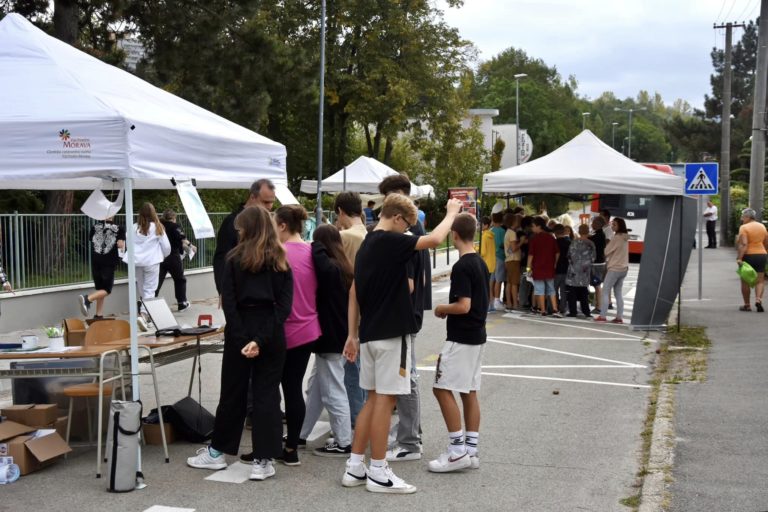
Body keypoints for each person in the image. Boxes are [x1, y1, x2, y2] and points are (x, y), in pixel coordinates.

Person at [341, 194, 462, 494]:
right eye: (407, 224)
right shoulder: (388, 241)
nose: (408, 231)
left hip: (369, 334)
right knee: (386, 399)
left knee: (372, 399)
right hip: (392, 334)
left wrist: (352, 334)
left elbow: (354, 291)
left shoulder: (368, 243)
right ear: (396, 218)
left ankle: (356, 466)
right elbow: (434, 240)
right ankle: (379, 471)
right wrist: (451, 212)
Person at [186, 206, 293, 481]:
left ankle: (217, 452)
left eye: (240, 228)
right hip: (270, 330)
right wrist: (260, 339)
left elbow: (229, 303)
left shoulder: (233, 259)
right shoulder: (281, 260)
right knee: (266, 395)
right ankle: (262, 459)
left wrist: (245, 338)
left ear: (247, 229)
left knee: (232, 393)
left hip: (239, 329)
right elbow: (284, 306)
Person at [378, 175, 431, 464]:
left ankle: (410, 441)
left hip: (403, 315)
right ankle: (410, 435)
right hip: (408, 313)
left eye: (387, 198)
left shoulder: (407, 234)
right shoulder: (414, 229)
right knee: (404, 376)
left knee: (405, 378)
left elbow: (407, 282)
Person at [429, 213, 488, 473]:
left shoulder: (463, 266)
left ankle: (456, 450)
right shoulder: (480, 263)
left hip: (461, 337)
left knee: (441, 388)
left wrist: (442, 307)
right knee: (468, 390)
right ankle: (471, 449)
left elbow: (463, 305)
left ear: (454, 235)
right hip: (477, 335)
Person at [300, 224, 353, 457]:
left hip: (330, 339)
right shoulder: (344, 267)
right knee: (316, 389)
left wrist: (314, 243)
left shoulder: (329, 268)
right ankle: (300, 433)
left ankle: (343, 442)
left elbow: (318, 258)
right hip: (338, 336)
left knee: (333, 392)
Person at [274, 204, 321, 466]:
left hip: (282, 330)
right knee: (293, 389)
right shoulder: (312, 251)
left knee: (270, 389)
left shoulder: (277, 252)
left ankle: (268, 445)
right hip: (308, 329)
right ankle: (292, 446)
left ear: (282, 225)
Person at [334, 191, 368, 429]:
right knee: (361, 369)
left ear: (339, 211)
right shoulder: (368, 234)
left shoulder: (343, 237)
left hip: (346, 309)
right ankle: (362, 416)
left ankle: (357, 420)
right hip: (368, 309)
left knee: (350, 369)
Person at [213, 179, 276, 297]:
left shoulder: (270, 222)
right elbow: (222, 257)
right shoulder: (233, 222)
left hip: (265, 293)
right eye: (265, 202)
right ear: (252, 197)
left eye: (272, 202)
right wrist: (223, 290)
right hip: (240, 291)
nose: (270, 207)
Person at [124, 203, 171, 322]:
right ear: (153, 213)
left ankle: (145, 313)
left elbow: (128, 243)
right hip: (152, 261)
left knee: (141, 287)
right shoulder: (157, 227)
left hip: (137, 261)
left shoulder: (133, 227)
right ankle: (144, 315)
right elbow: (166, 246)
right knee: (150, 289)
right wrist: (163, 256)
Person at [78, 216, 125, 318]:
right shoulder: (119, 228)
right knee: (107, 290)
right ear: (113, 214)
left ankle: (99, 314)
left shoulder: (94, 226)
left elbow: (91, 239)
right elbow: (120, 245)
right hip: (108, 263)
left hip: (96, 262)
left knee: (100, 289)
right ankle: (87, 299)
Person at [595, 218, 629, 323]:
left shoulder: (616, 238)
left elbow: (606, 251)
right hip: (624, 268)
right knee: (618, 292)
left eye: (614, 224)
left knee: (605, 291)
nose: (612, 226)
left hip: (614, 268)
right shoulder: (625, 238)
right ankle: (619, 317)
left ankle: (603, 316)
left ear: (620, 226)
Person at [155, 209, 191, 311]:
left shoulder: (158, 226)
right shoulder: (175, 226)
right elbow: (182, 239)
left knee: (157, 281)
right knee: (180, 279)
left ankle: (148, 303)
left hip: (160, 256)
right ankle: (182, 303)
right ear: (174, 218)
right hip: (173, 257)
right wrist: (191, 245)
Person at [526, 216, 560, 317]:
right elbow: (558, 253)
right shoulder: (551, 237)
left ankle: (543, 310)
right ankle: (555, 309)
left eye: (533, 226)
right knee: (551, 289)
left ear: (539, 226)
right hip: (549, 267)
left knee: (539, 289)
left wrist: (528, 268)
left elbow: (530, 255)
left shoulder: (534, 239)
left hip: (537, 268)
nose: (532, 228)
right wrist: (555, 263)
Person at [736, 208, 768, 311]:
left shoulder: (744, 227)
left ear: (747, 217)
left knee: (745, 281)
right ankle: (758, 299)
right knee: (760, 280)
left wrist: (740, 258)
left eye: (743, 217)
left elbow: (744, 244)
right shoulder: (762, 226)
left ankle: (747, 305)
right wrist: (763, 250)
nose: (742, 219)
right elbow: (766, 241)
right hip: (761, 254)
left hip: (748, 255)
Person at [566, 224, 596, 317]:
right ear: (588, 232)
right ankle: (586, 311)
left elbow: (569, 256)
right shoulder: (591, 244)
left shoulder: (573, 242)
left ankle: (573, 311)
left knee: (572, 292)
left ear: (579, 232)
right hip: (585, 271)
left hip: (573, 271)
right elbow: (593, 258)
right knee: (584, 292)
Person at [503, 213, 522, 311]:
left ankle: (509, 303)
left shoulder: (508, 232)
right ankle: (515, 303)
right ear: (513, 222)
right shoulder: (512, 233)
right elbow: (514, 248)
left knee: (509, 283)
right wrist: (522, 242)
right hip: (514, 259)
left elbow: (509, 249)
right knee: (514, 283)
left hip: (508, 259)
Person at [589, 216, 607, 314]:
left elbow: (589, 240)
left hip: (597, 264)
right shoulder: (599, 234)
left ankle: (599, 306)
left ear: (599, 224)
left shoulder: (598, 236)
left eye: (594, 223)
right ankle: (597, 305)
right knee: (597, 284)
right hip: (599, 262)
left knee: (597, 285)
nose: (592, 224)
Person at [479, 217, 497, 311]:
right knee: (490, 285)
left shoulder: (484, 236)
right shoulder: (491, 235)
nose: (479, 226)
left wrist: (475, 248)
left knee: (486, 286)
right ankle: (492, 305)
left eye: (481, 224)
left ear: (486, 225)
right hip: (492, 263)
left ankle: (487, 306)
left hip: (485, 264)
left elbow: (483, 252)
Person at [490, 212, 507, 310]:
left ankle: (491, 299)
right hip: (500, 256)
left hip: (492, 257)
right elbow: (503, 244)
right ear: (501, 220)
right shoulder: (502, 231)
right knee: (499, 279)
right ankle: (497, 300)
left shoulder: (491, 230)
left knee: (492, 279)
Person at [553, 224, 571, 315]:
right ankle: (563, 308)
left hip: (556, 269)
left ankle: (554, 306)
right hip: (566, 269)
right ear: (564, 232)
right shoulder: (568, 242)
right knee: (564, 291)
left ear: (555, 233)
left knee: (554, 289)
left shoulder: (554, 242)